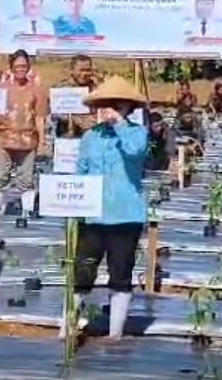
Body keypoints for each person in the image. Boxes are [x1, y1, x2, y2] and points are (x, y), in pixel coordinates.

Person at [62, 76, 148, 339]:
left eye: (117, 106)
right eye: (106, 105)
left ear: (128, 109)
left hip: (125, 215)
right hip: (93, 215)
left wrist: (120, 124)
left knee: (120, 273)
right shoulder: (91, 136)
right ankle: (67, 327)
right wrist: (72, 202)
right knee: (82, 272)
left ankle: (115, 334)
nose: (109, 110)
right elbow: (81, 170)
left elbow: (134, 152)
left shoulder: (136, 133)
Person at [0, 50, 48, 199]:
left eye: (24, 66)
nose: (21, 69)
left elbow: (40, 118)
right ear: (11, 67)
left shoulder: (37, 90)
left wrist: (42, 142)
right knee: (1, 179)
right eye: (17, 66)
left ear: (28, 67)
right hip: (5, 140)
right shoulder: (2, 88)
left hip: (28, 141)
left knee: (25, 182)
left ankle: (23, 211)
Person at [54, 54, 100, 139]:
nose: (85, 74)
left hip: (92, 138)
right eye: (81, 70)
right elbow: (52, 118)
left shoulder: (98, 90)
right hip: (66, 140)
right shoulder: (61, 90)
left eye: (88, 70)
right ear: (72, 71)